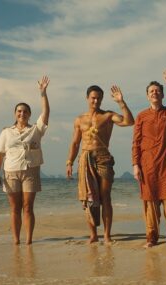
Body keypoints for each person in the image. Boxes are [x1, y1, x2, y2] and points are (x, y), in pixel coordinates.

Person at [66, 84, 134, 244]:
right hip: (85, 159)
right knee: (89, 198)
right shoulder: (79, 119)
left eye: (98, 98)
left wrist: (121, 102)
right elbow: (75, 143)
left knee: (105, 197)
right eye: (93, 98)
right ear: (87, 98)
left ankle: (107, 235)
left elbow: (129, 122)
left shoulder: (108, 116)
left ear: (102, 99)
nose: (96, 101)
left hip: (103, 158)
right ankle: (93, 235)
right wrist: (69, 162)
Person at [132, 68, 166, 248]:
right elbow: (136, 142)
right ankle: (151, 238)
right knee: (150, 203)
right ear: (147, 96)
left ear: (163, 95)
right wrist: (135, 164)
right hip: (147, 166)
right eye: (151, 91)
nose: (154, 93)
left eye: (157, 91)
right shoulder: (141, 116)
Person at [0, 76, 51, 245]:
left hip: (30, 170)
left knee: (28, 207)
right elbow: (0, 154)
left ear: (29, 114)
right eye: (19, 111)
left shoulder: (36, 130)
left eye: (25, 111)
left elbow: (46, 114)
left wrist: (43, 94)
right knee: (14, 208)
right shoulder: (6, 132)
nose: (22, 114)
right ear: (15, 114)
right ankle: (16, 240)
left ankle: (29, 241)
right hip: (10, 171)